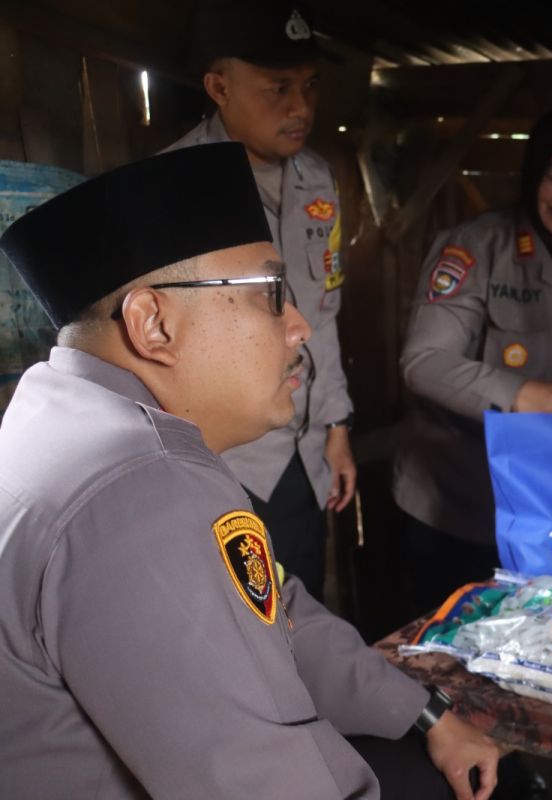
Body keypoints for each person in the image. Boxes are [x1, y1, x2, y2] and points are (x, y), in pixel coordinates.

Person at [0, 143, 498, 800]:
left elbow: (272, 606)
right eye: (270, 293)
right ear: (154, 324)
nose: (298, 327)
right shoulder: (141, 489)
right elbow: (254, 780)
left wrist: (423, 712)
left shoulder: (68, 416)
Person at [392, 108, 552, 617]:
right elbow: (423, 361)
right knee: (448, 657)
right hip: (462, 505)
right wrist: (518, 395)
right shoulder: (475, 247)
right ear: (534, 176)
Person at [165, 2, 354, 601]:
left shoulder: (316, 178)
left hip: (301, 451)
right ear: (220, 87)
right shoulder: (173, 187)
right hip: (226, 461)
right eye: (277, 88)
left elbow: (324, 315)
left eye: (309, 86)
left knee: (304, 618)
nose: (300, 107)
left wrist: (336, 425)